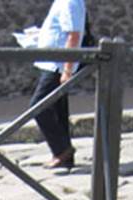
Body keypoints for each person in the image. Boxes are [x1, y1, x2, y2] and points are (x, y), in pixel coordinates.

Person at [30, 0, 87, 170]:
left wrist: (68, 70)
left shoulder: (70, 2)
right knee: (58, 110)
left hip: (58, 66)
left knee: (38, 106)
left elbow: (73, 35)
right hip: (52, 63)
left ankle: (62, 150)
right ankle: (64, 156)